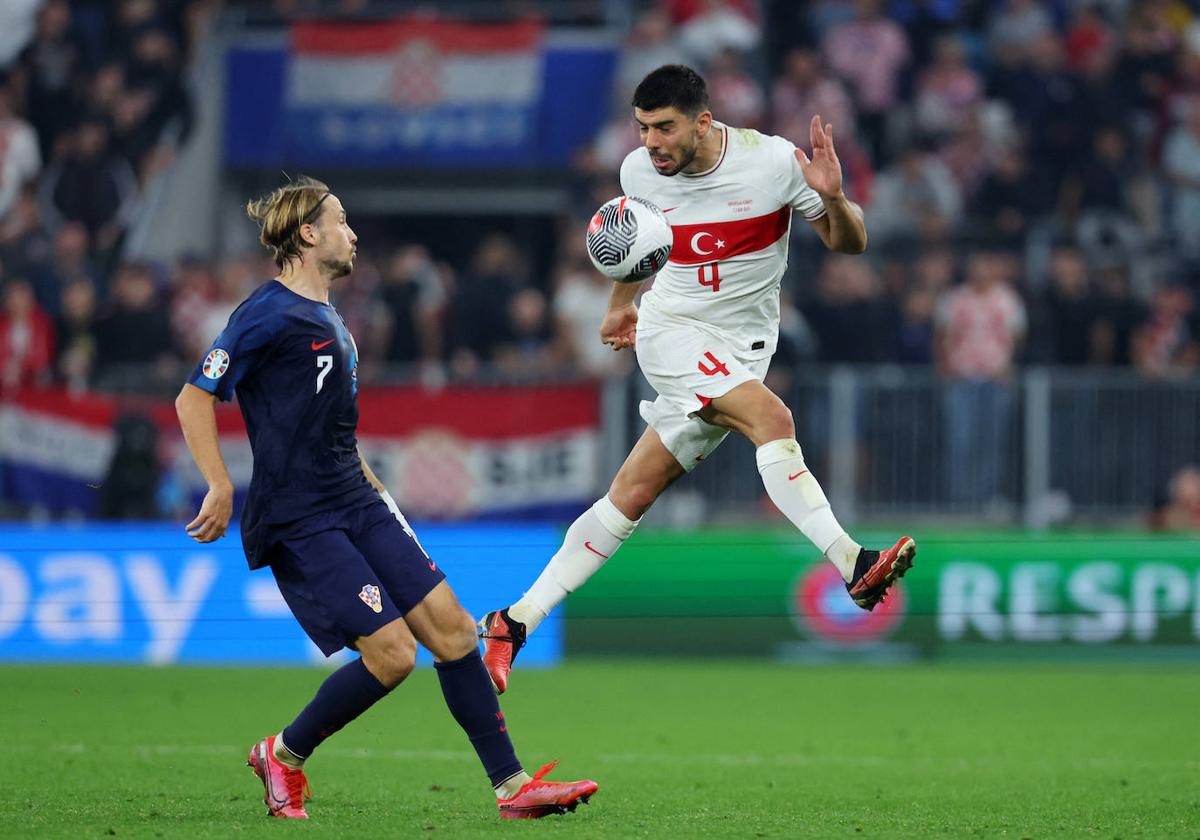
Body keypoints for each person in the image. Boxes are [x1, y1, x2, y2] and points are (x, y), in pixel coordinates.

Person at [480, 65, 915, 694]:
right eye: (642, 128)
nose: (649, 142)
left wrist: (836, 198)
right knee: (773, 421)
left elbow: (850, 244)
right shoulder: (638, 174)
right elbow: (641, 247)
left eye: (663, 128)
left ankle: (513, 622)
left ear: (703, 122)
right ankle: (854, 561)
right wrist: (619, 303)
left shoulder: (772, 165)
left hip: (745, 347)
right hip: (673, 331)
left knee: (631, 493)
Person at [175, 177, 596, 821]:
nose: (354, 233)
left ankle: (513, 788)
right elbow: (194, 395)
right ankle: (281, 755)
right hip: (301, 515)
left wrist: (371, 482)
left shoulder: (330, 317)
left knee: (455, 632)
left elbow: (327, 423)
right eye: (341, 221)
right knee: (394, 655)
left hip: (356, 499)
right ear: (308, 234)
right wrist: (220, 482)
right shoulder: (265, 313)